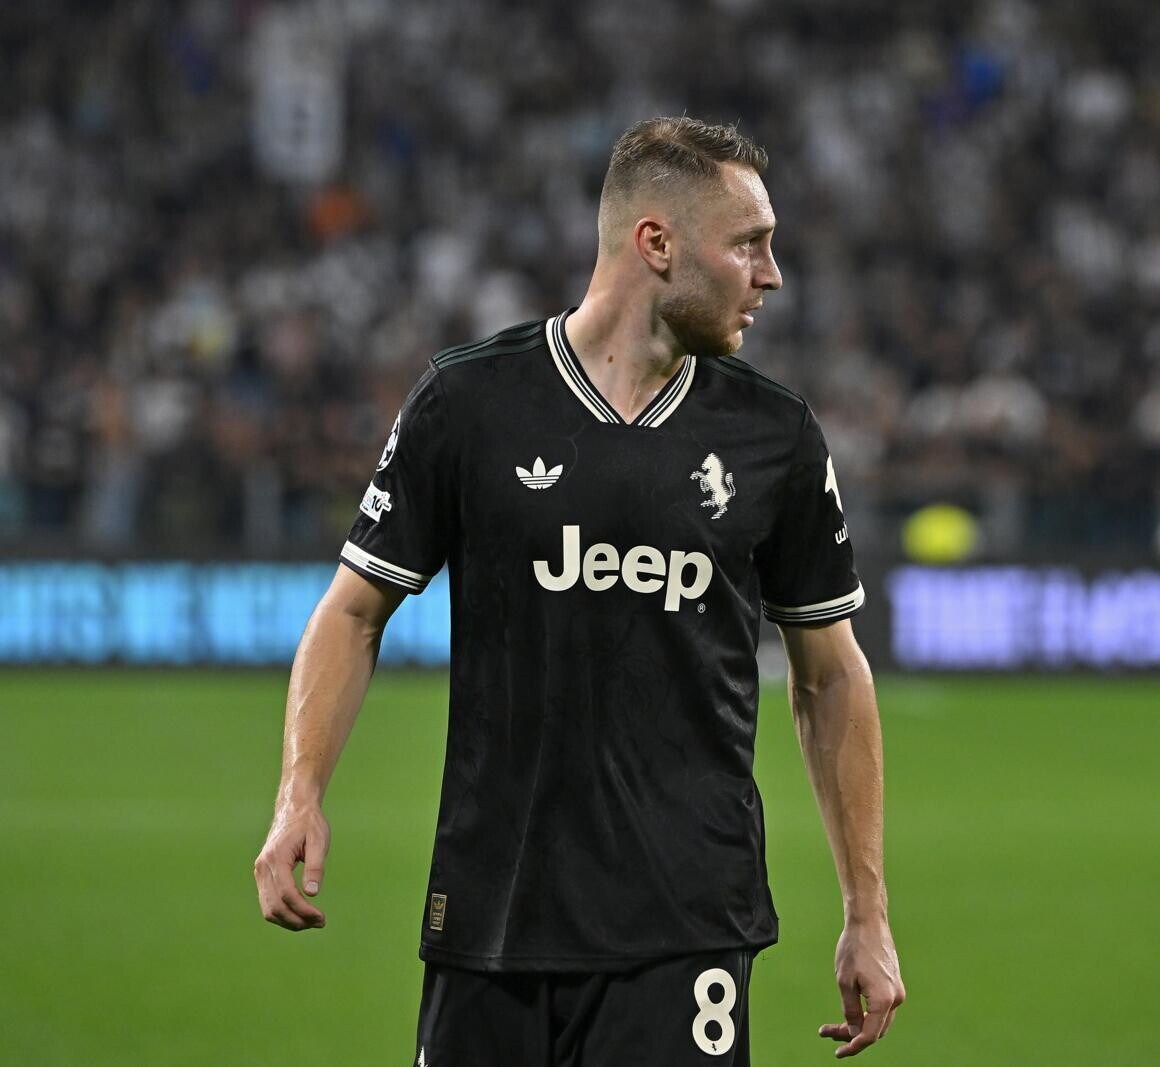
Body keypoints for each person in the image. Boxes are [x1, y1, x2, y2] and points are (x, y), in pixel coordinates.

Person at [251, 116, 906, 1065]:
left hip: (686, 925)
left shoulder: (776, 437)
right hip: (493, 913)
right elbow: (354, 610)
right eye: (748, 245)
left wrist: (867, 911)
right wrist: (298, 792)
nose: (771, 275)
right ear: (657, 243)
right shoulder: (469, 402)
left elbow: (832, 675)